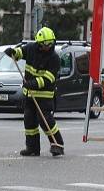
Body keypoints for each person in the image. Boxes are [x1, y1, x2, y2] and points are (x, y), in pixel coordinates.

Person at [5, 27, 65, 157]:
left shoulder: (54, 58)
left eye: (51, 43)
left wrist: (32, 83)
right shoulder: (31, 48)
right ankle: (32, 148)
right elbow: (20, 52)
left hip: (44, 95)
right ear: (39, 43)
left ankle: (58, 145)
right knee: (29, 121)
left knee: (45, 121)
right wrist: (13, 52)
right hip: (29, 94)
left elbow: (48, 79)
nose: (48, 46)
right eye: (45, 44)